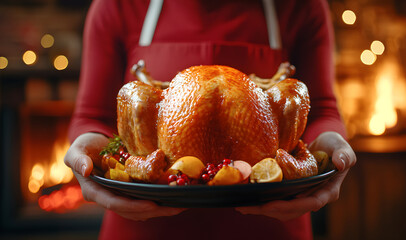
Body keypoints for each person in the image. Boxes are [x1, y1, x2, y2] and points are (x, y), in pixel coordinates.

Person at [64, 0, 356, 239]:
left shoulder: (300, 6)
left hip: (272, 223)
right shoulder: (117, 5)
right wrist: (86, 146)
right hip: (142, 224)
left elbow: (321, 110)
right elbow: (93, 116)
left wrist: (329, 144)